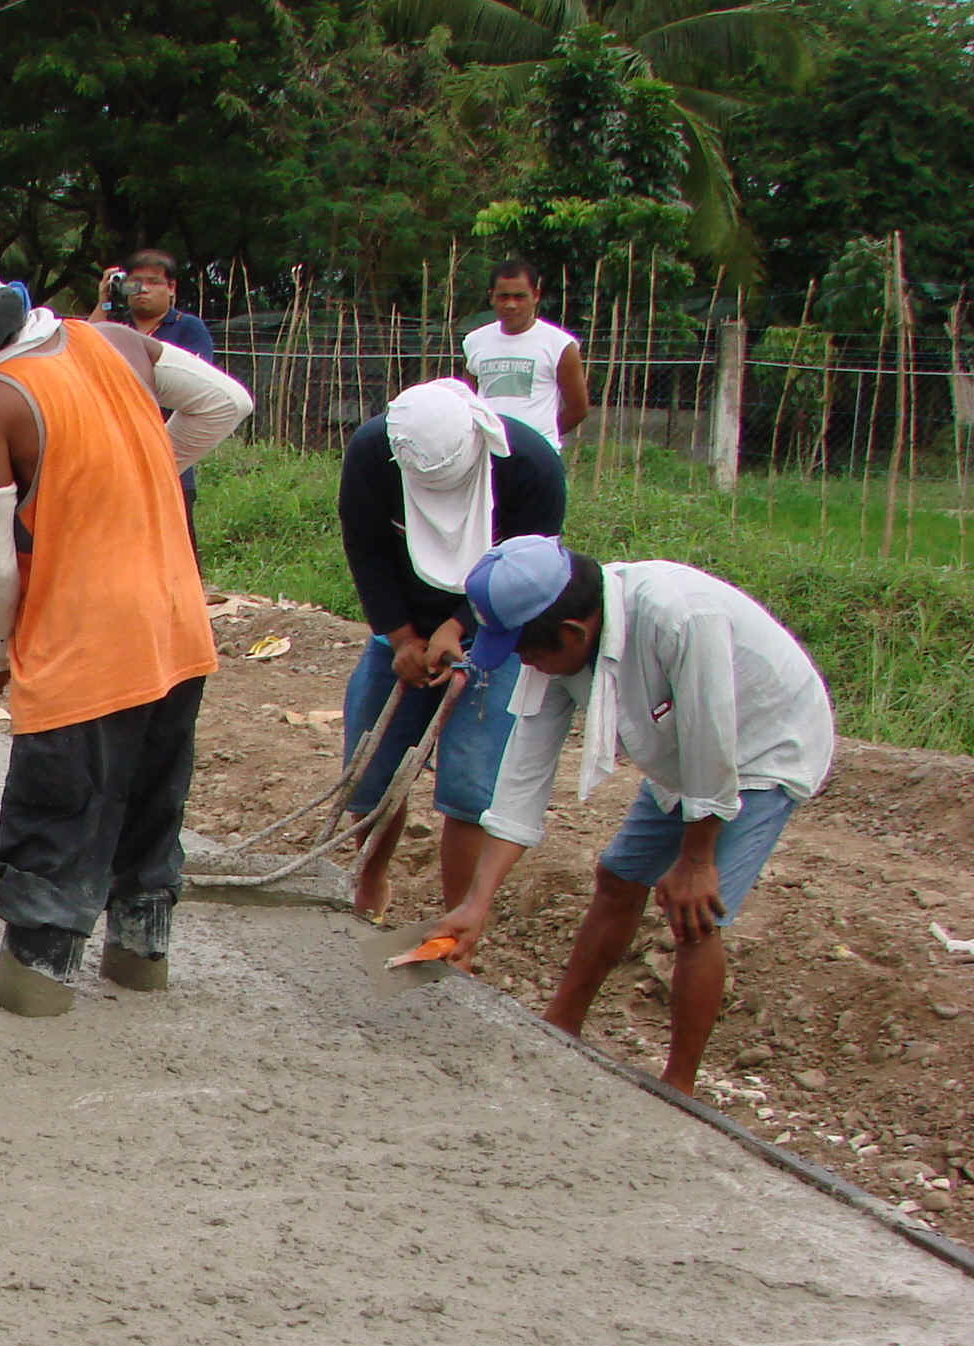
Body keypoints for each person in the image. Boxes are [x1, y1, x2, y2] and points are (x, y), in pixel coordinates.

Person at [0, 238, 251, 1010]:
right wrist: (146, 464)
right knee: (153, 807)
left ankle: (36, 990)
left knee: (57, 820)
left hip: (83, 646)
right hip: (175, 627)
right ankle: (139, 962)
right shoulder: (118, 340)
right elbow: (227, 403)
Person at [433, 536, 833, 1091]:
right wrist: (476, 904)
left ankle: (679, 1088)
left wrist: (696, 858)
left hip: (760, 747)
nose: (524, 663)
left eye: (526, 651)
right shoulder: (559, 642)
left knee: (695, 915)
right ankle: (561, 1027)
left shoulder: (679, 619)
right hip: (680, 750)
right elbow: (524, 773)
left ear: (573, 633)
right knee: (619, 878)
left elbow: (711, 740)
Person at [336, 378, 565, 921]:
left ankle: (455, 919)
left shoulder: (530, 467)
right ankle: (371, 879)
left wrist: (463, 626)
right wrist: (401, 638)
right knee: (371, 769)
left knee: (469, 787)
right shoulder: (374, 454)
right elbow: (365, 550)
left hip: (499, 627)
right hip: (405, 624)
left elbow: (529, 572)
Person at [92, 248, 218, 550]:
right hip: (113, 454)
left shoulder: (188, 328)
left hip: (170, 454)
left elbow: (196, 386)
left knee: (175, 549)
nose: (143, 290)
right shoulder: (115, 326)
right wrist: (104, 301)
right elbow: (84, 351)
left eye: (153, 282)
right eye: (135, 283)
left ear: (171, 288)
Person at [462, 258, 589, 451]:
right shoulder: (474, 341)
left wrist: (539, 439)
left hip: (538, 455)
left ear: (536, 295)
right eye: (503, 296)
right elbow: (467, 399)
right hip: (486, 454)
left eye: (519, 296)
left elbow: (578, 408)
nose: (511, 305)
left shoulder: (560, 345)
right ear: (491, 297)